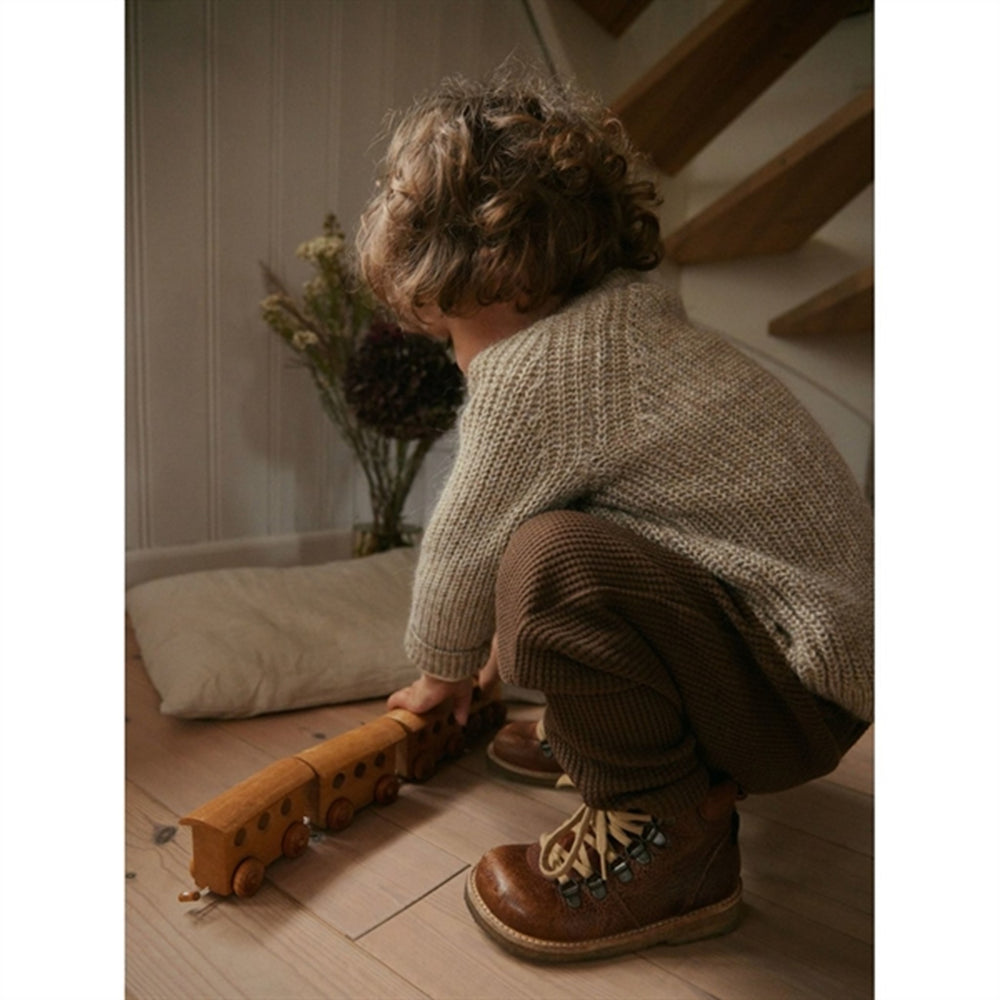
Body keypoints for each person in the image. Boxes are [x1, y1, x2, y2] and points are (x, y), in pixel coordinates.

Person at [356, 67, 873, 963]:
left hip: (792, 696)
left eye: (449, 334)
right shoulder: (631, 330)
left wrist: (443, 671)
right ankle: (618, 741)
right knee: (570, 538)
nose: (457, 360)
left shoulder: (539, 371)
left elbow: (464, 544)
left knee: (550, 561)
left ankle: (664, 831)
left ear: (502, 274)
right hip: (816, 675)